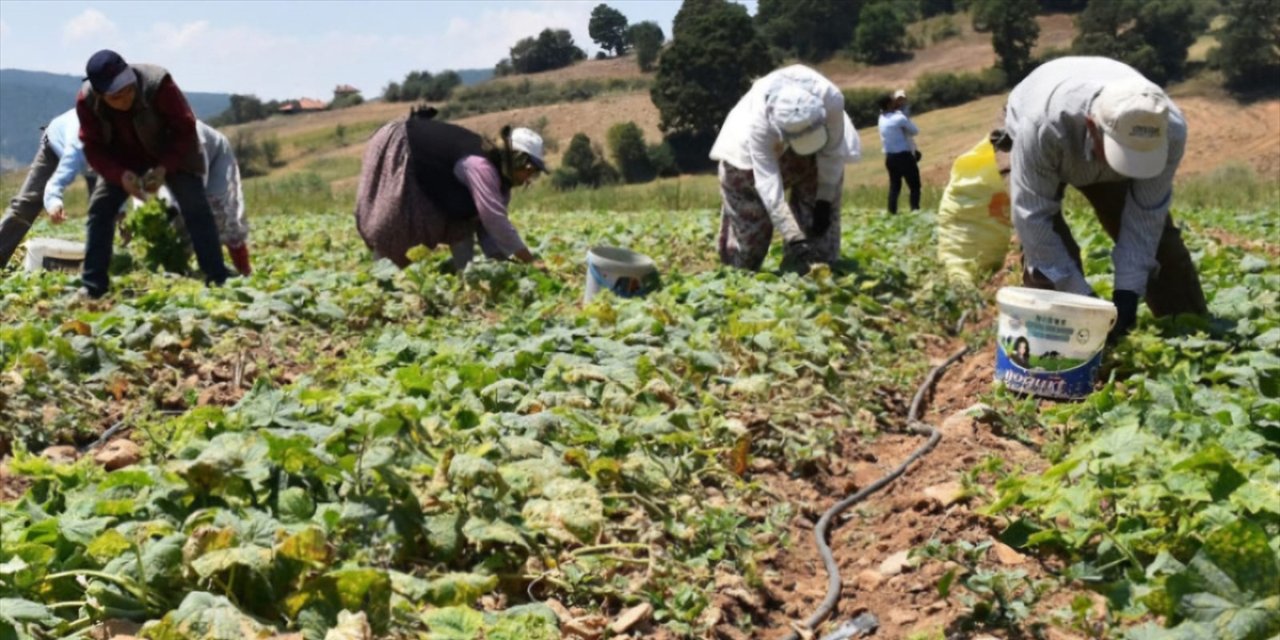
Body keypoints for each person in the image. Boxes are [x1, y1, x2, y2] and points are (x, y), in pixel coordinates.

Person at [997, 56, 1207, 343]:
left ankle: (1191, 336)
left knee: (1161, 246)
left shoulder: (1170, 129)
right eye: (1123, 154)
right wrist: (1083, 301)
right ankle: (1054, 356)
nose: (1127, 167)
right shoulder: (1041, 127)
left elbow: (1145, 217)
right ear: (1093, 126)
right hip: (1036, 132)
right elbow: (1034, 220)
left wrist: (1127, 294)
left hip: (1087, 135)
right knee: (1046, 262)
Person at [76, 49, 230, 298]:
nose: (125, 98)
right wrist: (119, 176)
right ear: (101, 95)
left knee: (195, 206)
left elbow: (185, 128)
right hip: (123, 159)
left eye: (128, 89)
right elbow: (92, 146)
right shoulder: (87, 101)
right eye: (116, 96)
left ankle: (217, 277)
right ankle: (93, 286)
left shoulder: (158, 84)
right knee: (100, 209)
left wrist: (163, 168)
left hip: (170, 151)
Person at [709, 64, 861, 273]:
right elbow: (768, 185)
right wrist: (793, 236)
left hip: (818, 156)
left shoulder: (831, 98)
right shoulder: (758, 125)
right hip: (749, 164)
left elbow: (832, 153)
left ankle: (807, 271)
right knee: (750, 246)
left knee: (819, 236)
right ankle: (739, 270)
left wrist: (824, 201)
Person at [354, 107, 546, 270]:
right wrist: (530, 261)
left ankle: (466, 278)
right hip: (402, 145)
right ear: (519, 162)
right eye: (531, 171)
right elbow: (494, 219)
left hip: (433, 174)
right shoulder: (480, 166)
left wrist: (505, 266)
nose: (530, 178)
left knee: (463, 221)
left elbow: (486, 229)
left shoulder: (501, 183)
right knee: (393, 221)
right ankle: (382, 279)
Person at [135, 120, 252, 275]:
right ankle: (181, 268)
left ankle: (243, 269)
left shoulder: (189, 134)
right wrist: (142, 210)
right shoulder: (140, 144)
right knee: (176, 224)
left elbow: (195, 188)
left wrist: (174, 208)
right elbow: (140, 186)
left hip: (214, 158)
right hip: (169, 169)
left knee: (222, 210)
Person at [0, 109, 99, 268]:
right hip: (55, 143)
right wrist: (54, 203)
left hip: (96, 156)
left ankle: (109, 261)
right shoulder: (76, 145)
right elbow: (55, 183)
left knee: (106, 207)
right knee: (27, 204)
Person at [878, 89, 921, 214]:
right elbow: (915, 131)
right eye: (892, 101)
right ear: (888, 104)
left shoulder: (881, 118)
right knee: (914, 186)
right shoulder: (899, 118)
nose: (895, 102)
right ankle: (915, 210)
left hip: (889, 157)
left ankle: (892, 212)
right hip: (904, 156)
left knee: (895, 186)